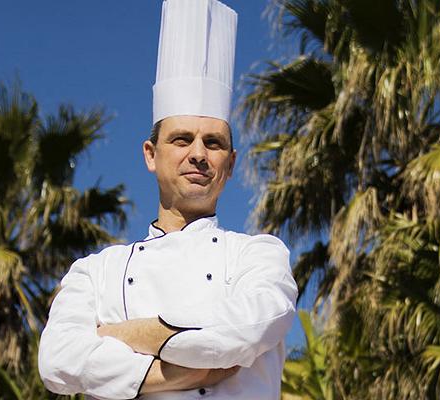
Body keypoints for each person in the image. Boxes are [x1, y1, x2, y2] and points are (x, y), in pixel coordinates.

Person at [38, 1, 298, 399]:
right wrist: (183, 373)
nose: (198, 154)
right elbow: (58, 361)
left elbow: (246, 327)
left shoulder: (260, 256)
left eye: (213, 143)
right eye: (181, 139)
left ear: (229, 165)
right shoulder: (94, 272)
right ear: (150, 154)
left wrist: (125, 334)